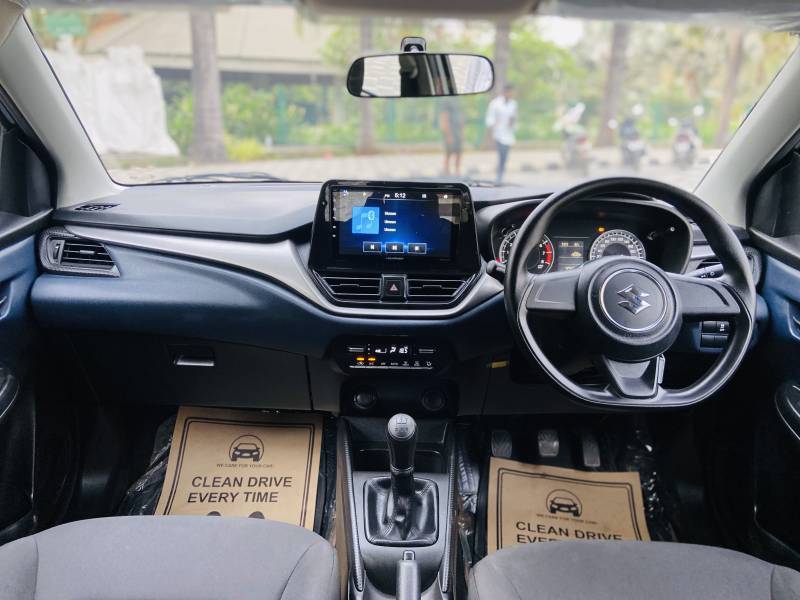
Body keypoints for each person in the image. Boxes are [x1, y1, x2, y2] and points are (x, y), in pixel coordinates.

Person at [485, 83, 518, 184]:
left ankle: (501, 174)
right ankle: (499, 175)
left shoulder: (513, 104)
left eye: (511, 92)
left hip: (508, 133)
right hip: (498, 133)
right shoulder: (495, 103)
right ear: (504, 92)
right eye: (508, 92)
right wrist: (494, 124)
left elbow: (514, 118)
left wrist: (512, 123)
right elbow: (489, 118)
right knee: (501, 154)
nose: (510, 94)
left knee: (505, 156)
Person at [439, 97, 464, 176]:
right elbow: (444, 118)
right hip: (450, 132)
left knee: (459, 152)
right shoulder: (447, 101)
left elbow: (461, 117)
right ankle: (446, 171)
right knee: (448, 153)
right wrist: (448, 135)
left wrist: (462, 132)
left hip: (458, 132)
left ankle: (457, 171)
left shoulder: (458, 100)